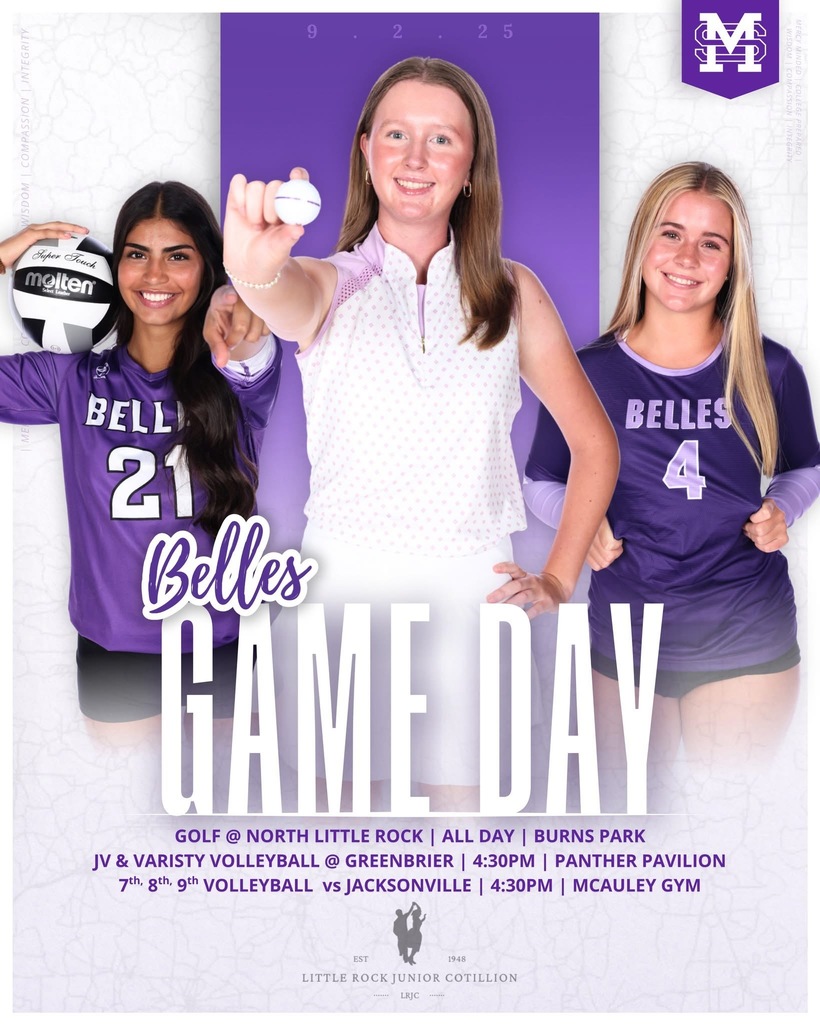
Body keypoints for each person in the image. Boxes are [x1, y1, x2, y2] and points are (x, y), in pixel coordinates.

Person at [217, 57, 618, 809]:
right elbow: (281, 293)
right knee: (338, 842)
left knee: (467, 843)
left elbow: (595, 446)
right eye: (397, 134)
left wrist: (560, 579)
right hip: (343, 587)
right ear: (366, 151)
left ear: (471, 168)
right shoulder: (330, 282)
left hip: (476, 592)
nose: (414, 157)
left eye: (442, 139)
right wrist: (251, 270)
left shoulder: (513, 294)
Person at [524, 162, 819, 798]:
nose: (688, 257)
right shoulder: (590, 371)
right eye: (671, 234)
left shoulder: (769, 367)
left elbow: (805, 464)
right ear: (642, 242)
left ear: (732, 263)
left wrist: (782, 509)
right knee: (632, 822)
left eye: (712, 243)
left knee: (729, 825)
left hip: (745, 632)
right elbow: (541, 478)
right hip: (625, 634)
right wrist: (582, 521)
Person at [0, 182, 281, 736]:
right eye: (136, 255)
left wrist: (248, 302)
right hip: (116, 647)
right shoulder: (70, 378)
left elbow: (251, 344)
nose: (154, 276)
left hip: (223, 640)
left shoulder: (234, 371)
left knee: (223, 788)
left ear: (206, 267)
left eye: (177, 256)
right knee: (123, 786)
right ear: (113, 268)